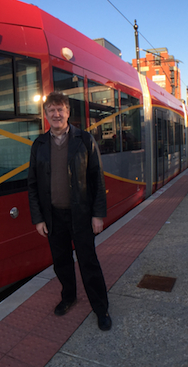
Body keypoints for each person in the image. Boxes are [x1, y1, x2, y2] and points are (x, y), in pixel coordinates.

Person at [28, 91, 112, 331]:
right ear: (46, 115)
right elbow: (32, 185)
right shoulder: (39, 144)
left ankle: (101, 307)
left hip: (81, 215)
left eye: (60, 109)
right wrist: (38, 219)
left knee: (88, 262)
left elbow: (97, 178)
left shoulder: (84, 140)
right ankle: (69, 297)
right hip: (53, 216)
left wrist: (97, 215)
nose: (56, 114)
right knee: (61, 262)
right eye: (51, 110)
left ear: (67, 112)